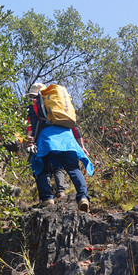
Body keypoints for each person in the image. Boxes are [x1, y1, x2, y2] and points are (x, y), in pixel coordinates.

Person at [26, 82, 94, 211]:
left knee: (41, 169)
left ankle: (47, 199)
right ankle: (83, 198)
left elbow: (33, 126)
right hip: (67, 140)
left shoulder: (35, 106)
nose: (32, 98)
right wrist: (82, 146)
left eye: (33, 96)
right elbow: (74, 127)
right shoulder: (61, 107)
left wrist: (31, 141)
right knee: (74, 169)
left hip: (47, 141)